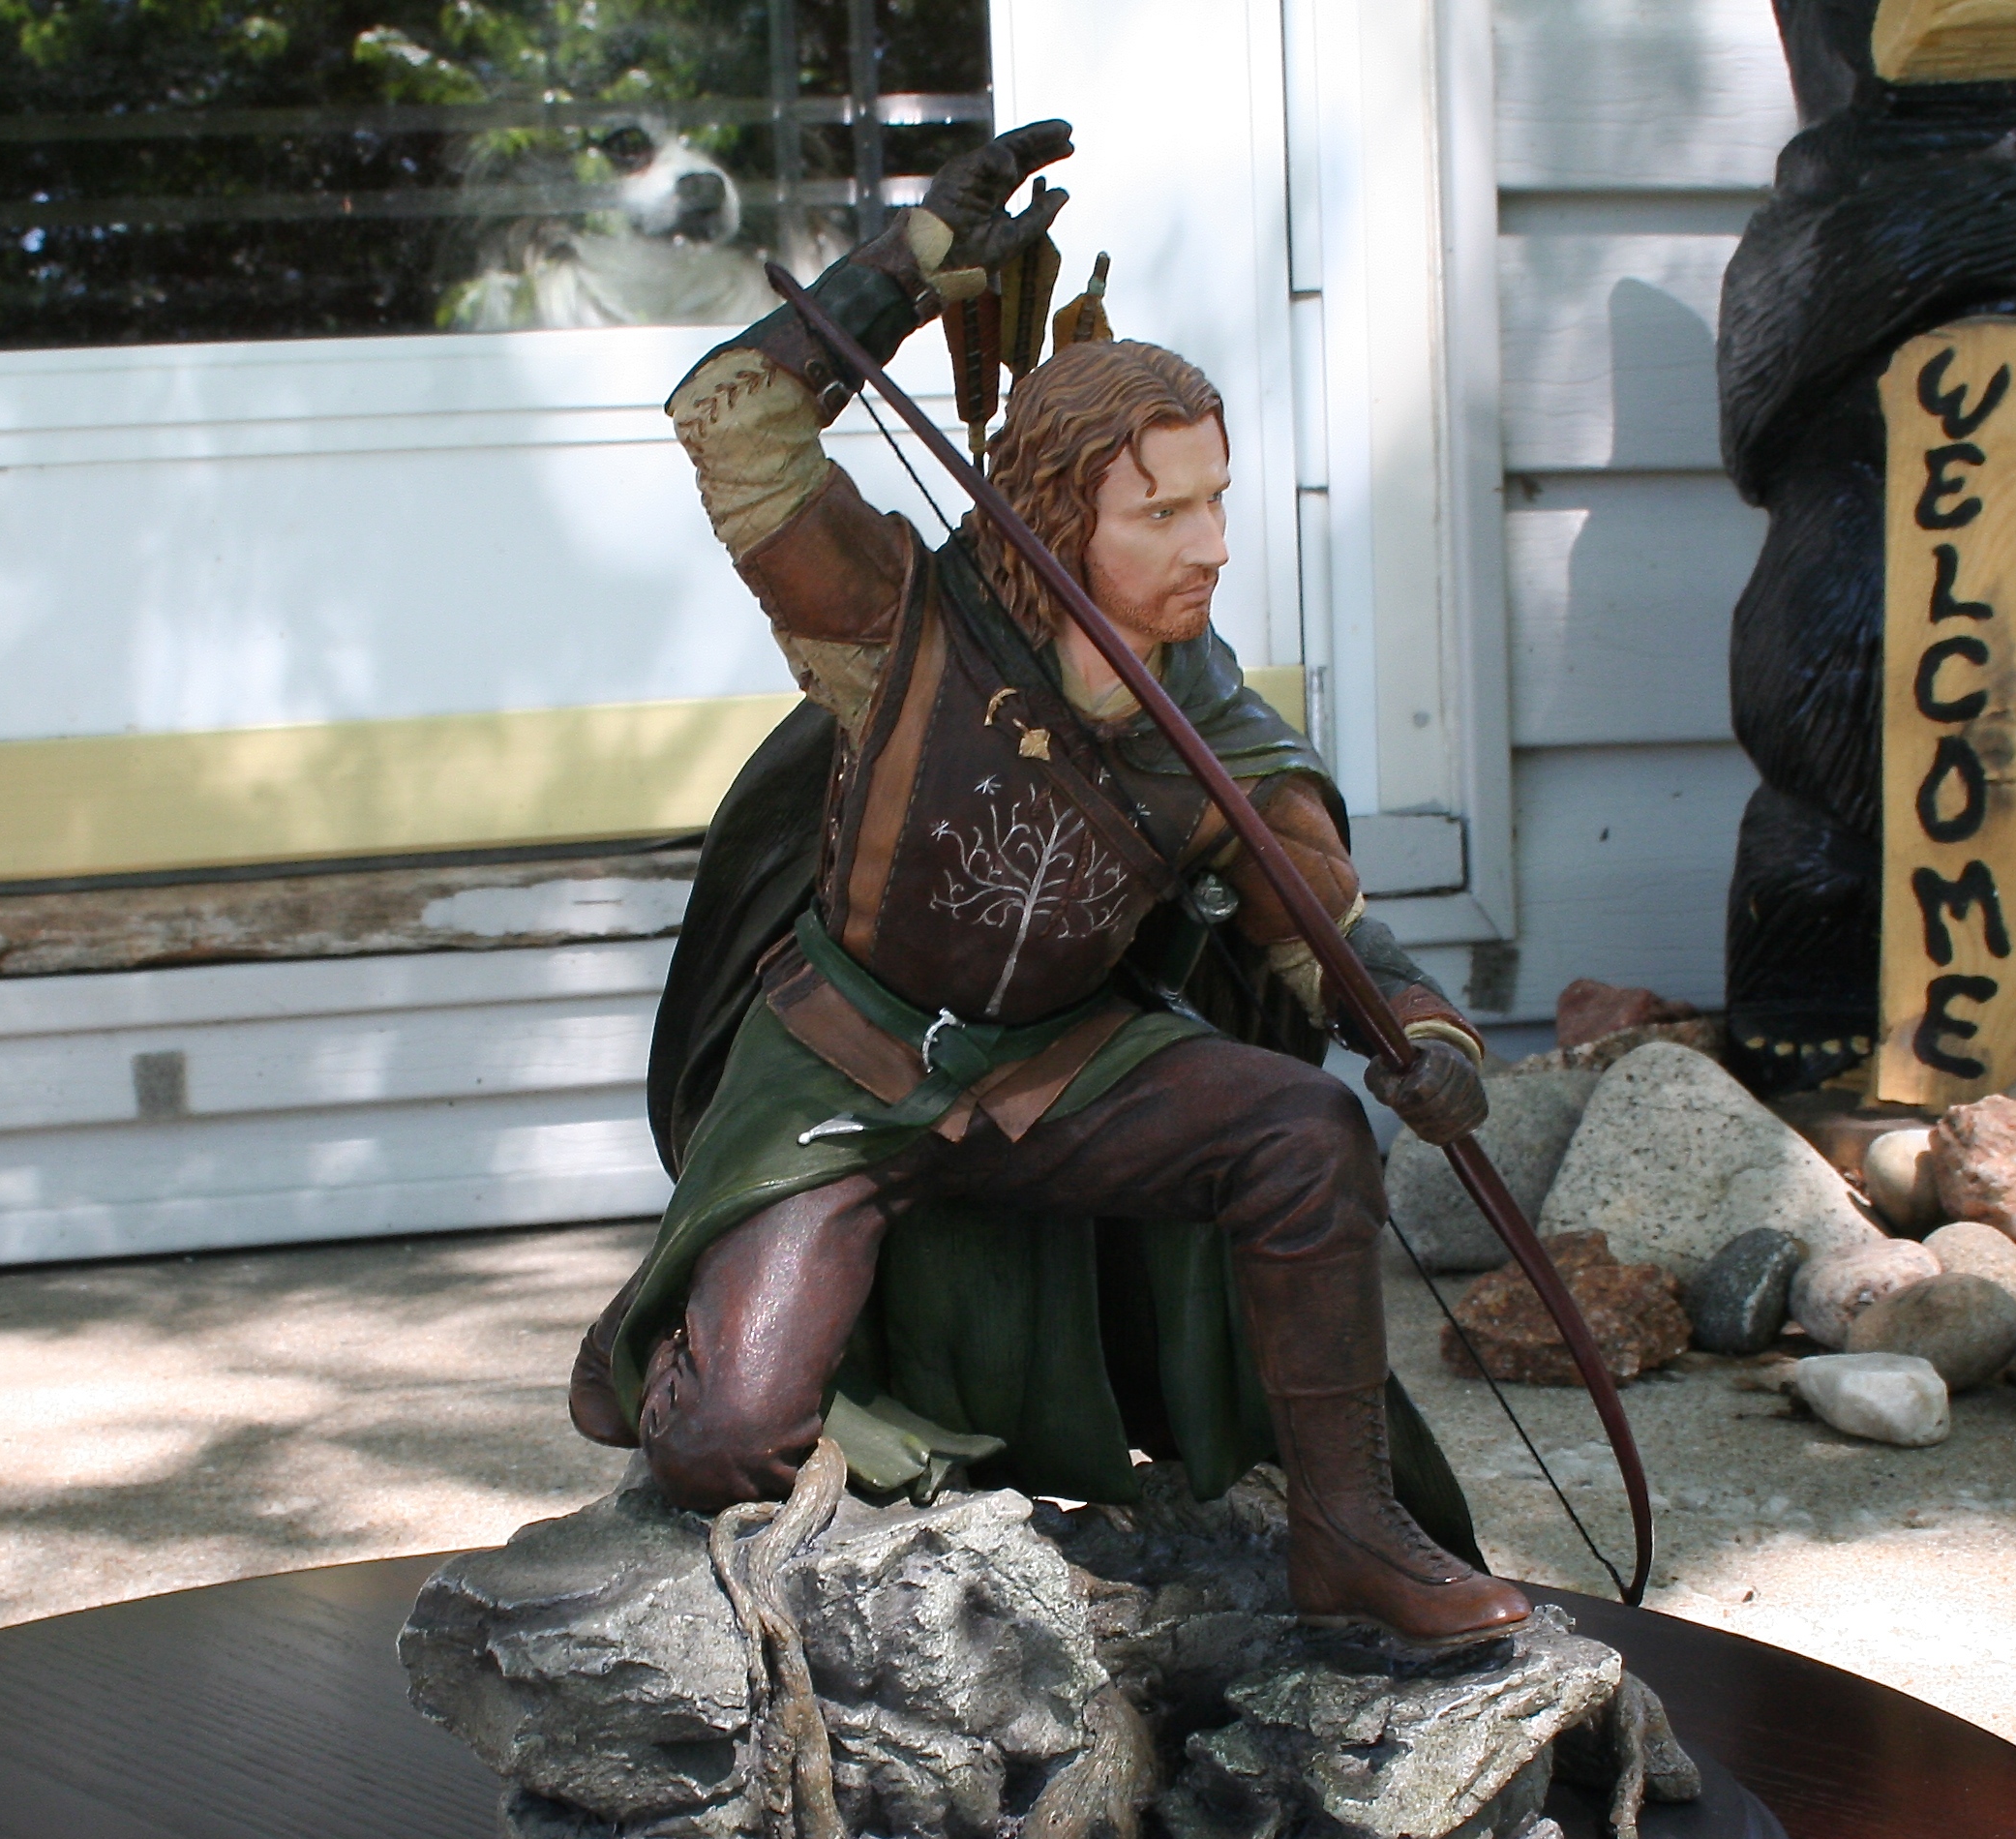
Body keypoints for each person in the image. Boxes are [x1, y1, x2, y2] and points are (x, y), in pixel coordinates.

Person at [568, 122, 1531, 1646]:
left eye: (1217, 501)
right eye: (1164, 513)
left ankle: (1350, 1532)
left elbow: (1319, 927)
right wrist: (909, 267)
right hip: (844, 1063)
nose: (1213, 546)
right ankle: (730, 1411)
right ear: (1062, 507)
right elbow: (734, 420)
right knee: (722, 1444)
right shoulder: (896, 623)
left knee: (1303, 1131)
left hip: (1063, 1065)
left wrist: (1421, 1032)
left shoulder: (1211, 724)